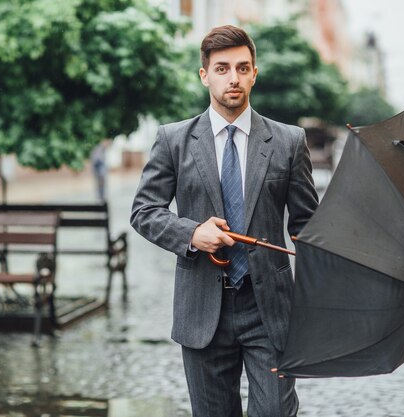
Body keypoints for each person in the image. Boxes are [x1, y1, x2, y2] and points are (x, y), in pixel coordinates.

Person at [130, 25, 318, 417]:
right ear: (204, 75)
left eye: (242, 67)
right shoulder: (173, 140)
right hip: (202, 308)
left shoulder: (288, 141)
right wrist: (192, 232)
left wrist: (342, 259)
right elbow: (144, 211)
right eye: (222, 68)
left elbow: (306, 224)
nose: (233, 77)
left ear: (254, 73)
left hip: (270, 308)